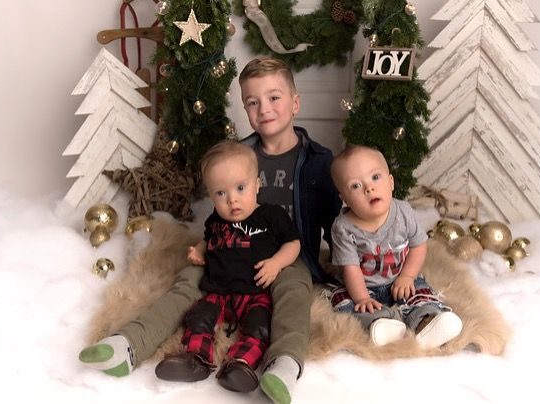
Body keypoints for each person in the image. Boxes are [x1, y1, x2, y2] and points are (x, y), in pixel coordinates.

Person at [79, 57, 343, 404]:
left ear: (295, 103)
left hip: (285, 257)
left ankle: (283, 364)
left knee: (294, 295)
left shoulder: (319, 160)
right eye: (252, 102)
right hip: (227, 253)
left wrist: (343, 270)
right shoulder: (238, 154)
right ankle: (129, 344)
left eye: (274, 98)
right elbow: (218, 217)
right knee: (187, 281)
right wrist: (203, 250)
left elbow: (334, 221)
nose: (264, 109)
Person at [152, 140, 300, 393]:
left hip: (255, 293)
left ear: (257, 185)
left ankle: (240, 364)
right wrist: (199, 250)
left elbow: (293, 243)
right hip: (218, 291)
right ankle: (196, 359)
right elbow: (208, 239)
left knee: (259, 326)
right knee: (199, 316)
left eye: (240, 188)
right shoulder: (216, 220)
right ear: (211, 196)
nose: (232, 200)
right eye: (221, 193)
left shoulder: (271, 216)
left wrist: (276, 263)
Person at [328, 145, 463, 348]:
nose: (368, 188)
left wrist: (407, 276)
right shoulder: (343, 228)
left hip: (399, 279)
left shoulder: (403, 212)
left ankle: (426, 321)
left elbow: (418, 245)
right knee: (347, 303)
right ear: (344, 199)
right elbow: (351, 268)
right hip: (363, 286)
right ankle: (382, 323)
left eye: (375, 177)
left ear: (391, 182)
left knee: (420, 292)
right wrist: (362, 298)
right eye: (355, 186)